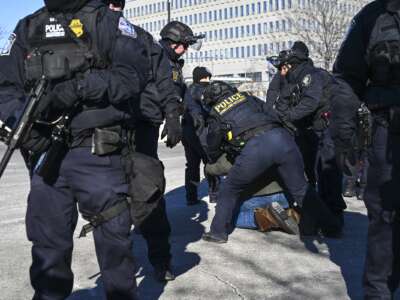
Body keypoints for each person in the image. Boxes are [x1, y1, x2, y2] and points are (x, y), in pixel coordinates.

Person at [0, 0, 150, 298]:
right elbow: (5, 87)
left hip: (97, 152)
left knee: (114, 244)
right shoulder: (29, 26)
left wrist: (80, 87)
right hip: (45, 154)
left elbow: (132, 77)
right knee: (47, 245)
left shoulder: (109, 22)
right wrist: (23, 127)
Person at [200, 81, 342, 243]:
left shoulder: (216, 113)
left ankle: (217, 233)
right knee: (301, 190)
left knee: (230, 188)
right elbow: (275, 115)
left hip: (257, 147)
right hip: (283, 139)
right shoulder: (248, 98)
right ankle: (332, 227)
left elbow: (212, 146)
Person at [104, 0, 183, 282]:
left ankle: (161, 261)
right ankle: (118, 269)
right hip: (101, 126)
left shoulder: (140, 38)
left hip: (142, 126)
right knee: (107, 199)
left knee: (147, 193)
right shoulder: (84, 33)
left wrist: (173, 114)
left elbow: (165, 80)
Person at [333, 0, 400, 297]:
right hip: (389, 126)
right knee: (385, 217)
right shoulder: (373, 16)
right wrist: (343, 132)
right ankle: (378, 292)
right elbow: (348, 76)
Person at [272, 41, 347, 237]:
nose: (282, 71)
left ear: (293, 63)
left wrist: (288, 116)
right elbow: (282, 102)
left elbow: (310, 102)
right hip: (310, 130)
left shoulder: (312, 75)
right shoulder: (293, 79)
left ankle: (335, 217)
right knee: (309, 170)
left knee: (328, 171)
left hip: (328, 128)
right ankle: (316, 214)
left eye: (284, 66)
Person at [182, 66, 219, 205]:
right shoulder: (205, 89)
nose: (208, 80)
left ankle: (191, 197)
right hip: (202, 131)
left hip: (187, 131)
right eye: (207, 77)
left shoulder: (188, 89)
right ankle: (215, 194)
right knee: (211, 162)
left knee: (191, 166)